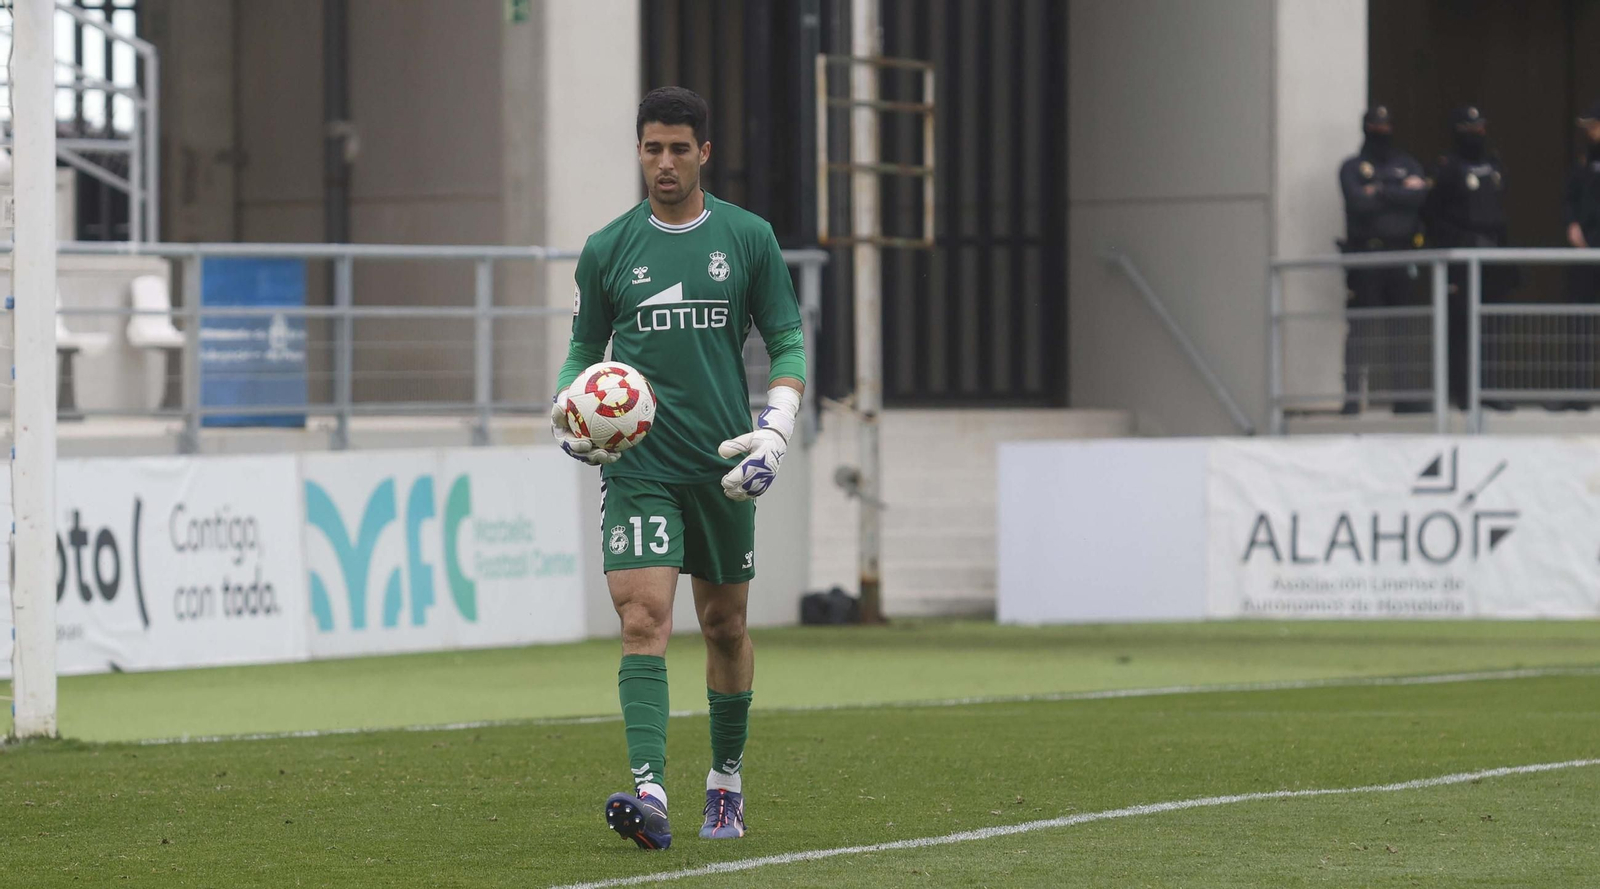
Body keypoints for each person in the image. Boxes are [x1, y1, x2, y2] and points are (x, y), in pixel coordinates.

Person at [549, 86, 807, 850]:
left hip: (723, 463)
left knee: (724, 624)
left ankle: (724, 782)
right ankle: (650, 790)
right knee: (642, 619)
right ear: (638, 152)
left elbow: (787, 340)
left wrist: (778, 428)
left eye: (678, 148)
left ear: (704, 153)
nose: (664, 162)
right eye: (652, 147)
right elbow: (582, 346)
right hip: (641, 467)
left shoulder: (748, 237)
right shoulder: (607, 248)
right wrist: (568, 406)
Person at [1423, 105, 1515, 409]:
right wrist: (1460, 242)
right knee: (1461, 327)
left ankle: (1487, 388)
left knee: (1490, 326)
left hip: (1492, 258)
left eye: (1480, 129)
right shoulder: (1449, 168)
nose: (1477, 135)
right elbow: (1432, 215)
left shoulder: (1494, 163)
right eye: (1470, 130)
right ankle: (1462, 392)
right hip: (1462, 259)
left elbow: (1501, 214)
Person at [1339, 105, 1429, 413]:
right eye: (1376, 126)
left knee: (1401, 328)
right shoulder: (1352, 166)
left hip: (1401, 255)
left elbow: (1420, 197)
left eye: (1386, 125)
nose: (1382, 131)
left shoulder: (1406, 162)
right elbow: (1358, 203)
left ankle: (1403, 398)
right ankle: (1352, 399)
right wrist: (1397, 190)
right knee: (1361, 327)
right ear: (1366, 128)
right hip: (1366, 255)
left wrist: (1379, 189)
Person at [1563, 100, 1600, 408]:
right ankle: (1577, 393)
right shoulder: (1585, 159)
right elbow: (1570, 197)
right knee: (1580, 320)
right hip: (1585, 250)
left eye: (1593, 125)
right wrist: (1572, 224)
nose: (1589, 131)